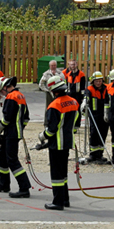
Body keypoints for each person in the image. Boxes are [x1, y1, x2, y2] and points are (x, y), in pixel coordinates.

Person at [36, 76, 79, 210]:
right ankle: (65, 199)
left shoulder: (54, 105)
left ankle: (58, 202)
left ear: (53, 90)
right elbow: (76, 124)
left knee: (56, 175)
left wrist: (41, 137)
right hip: (67, 143)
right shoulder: (74, 102)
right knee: (63, 173)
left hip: (56, 145)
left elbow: (51, 130)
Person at [0, 76, 32, 198]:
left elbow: (7, 118)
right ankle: (4, 184)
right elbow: (26, 117)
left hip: (11, 134)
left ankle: (24, 188)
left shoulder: (11, 97)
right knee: (2, 157)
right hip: (14, 133)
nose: (3, 94)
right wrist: (20, 128)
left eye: (2, 91)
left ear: (5, 87)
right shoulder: (21, 96)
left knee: (12, 160)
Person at [81, 71, 110, 164]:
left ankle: (100, 154)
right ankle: (93, 154)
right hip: (94, 115)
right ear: (93, 81)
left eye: (100, 81)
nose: (98, 83)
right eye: (97, 81)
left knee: (103, 134)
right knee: (93, 134)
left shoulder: (106, 88)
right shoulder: (89, 89)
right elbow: (86, 97)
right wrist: (84, 103)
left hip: (104, 115)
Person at [62, 60, 86, 130]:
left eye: (74, 64)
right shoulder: (68, 74)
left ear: (77, 64)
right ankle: (70, 124)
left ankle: (76, 126)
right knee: (69, 110)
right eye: (71, 65)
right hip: (69, 95)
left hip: (77, 95)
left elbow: (82, 87)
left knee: (77, 110)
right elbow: (67, 85)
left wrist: (82, 97)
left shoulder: (81, 74)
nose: (73, 66)